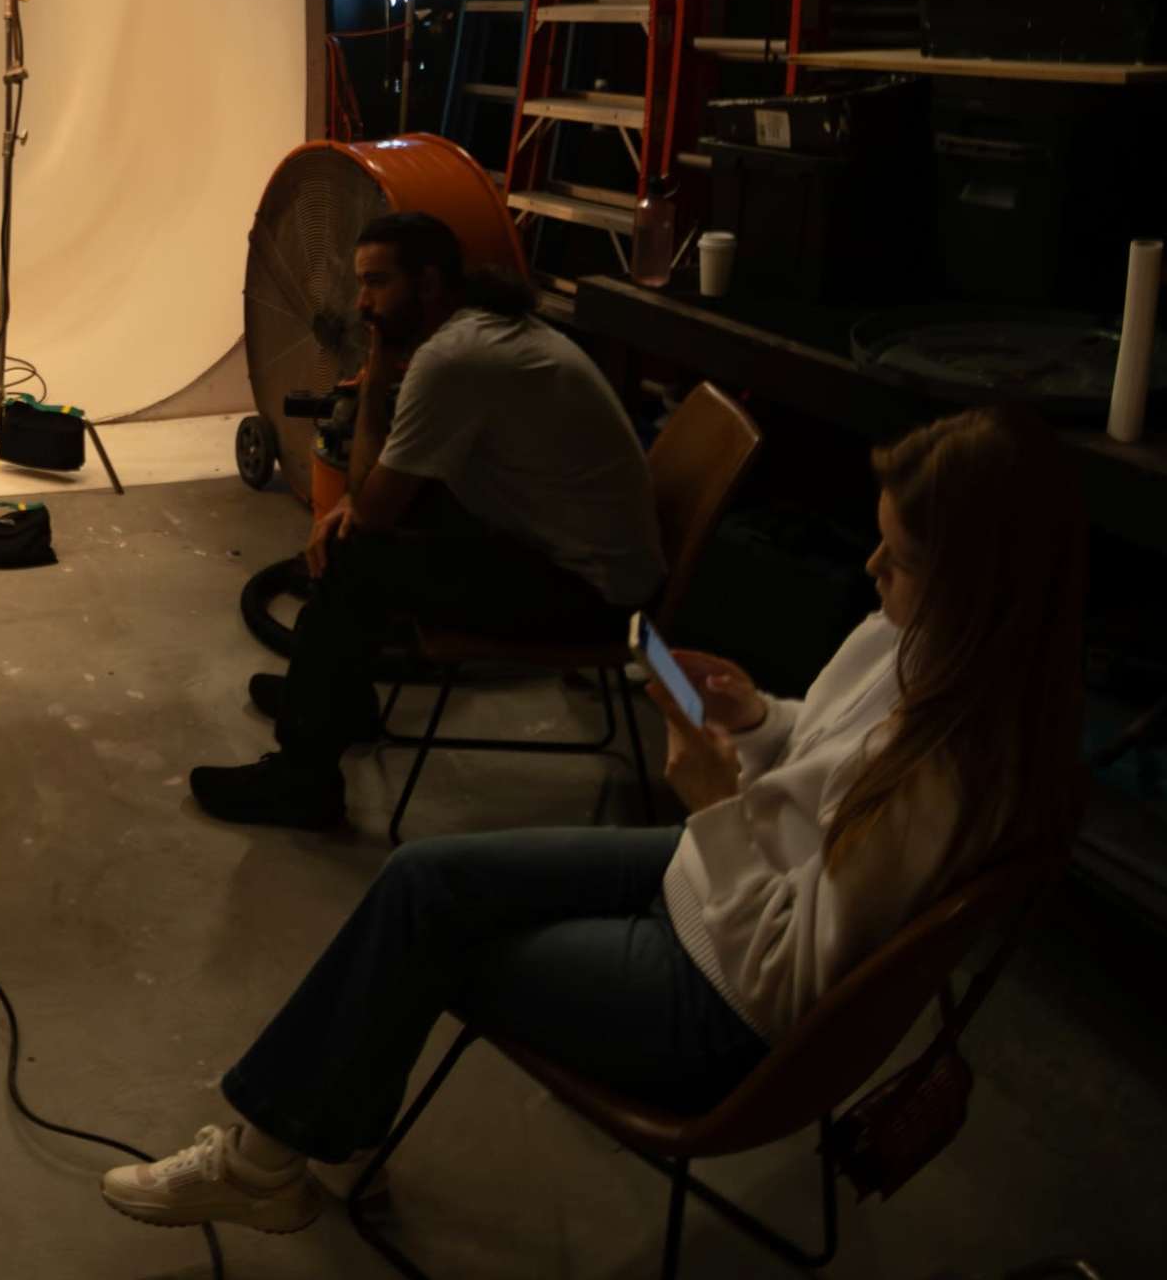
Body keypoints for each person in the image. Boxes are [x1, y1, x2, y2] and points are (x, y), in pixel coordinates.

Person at [106, 404, 1085, 1234]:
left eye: (902, 560)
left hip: (719, 1004)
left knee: (419, 942)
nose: (873, 568)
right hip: (718, 879)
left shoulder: (950, 775)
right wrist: (759, 718)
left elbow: (785, 984)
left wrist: (718, 804)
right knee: (420, 881)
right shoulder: (916, 640)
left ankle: (270, 1159)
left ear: (974, 589)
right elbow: (829, 766)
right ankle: (310, 1144)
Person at [192, 212, 666, 829]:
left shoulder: (452, 359)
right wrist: (354, 505)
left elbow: (372, 504)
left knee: (354, 552)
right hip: (588, 565)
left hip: (592, 597)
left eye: (378, 283)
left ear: (431, 282)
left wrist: (372, 383)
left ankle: (303, 778)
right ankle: (340, 699)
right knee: (362, 530)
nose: (362, 304)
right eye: (361, 284)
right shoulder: (485, 329)